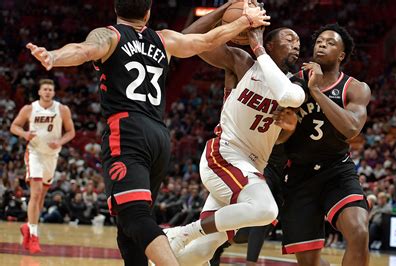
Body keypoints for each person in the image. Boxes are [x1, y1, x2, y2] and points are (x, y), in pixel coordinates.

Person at [26, 0, 270, 265]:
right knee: (127, 228)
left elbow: (82, 50)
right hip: (158, 137)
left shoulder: (110, 35)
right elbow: (207, 40)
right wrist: (243, 22)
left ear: (116, 10)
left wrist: (54, 56)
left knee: (134, 216)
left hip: (127, 131)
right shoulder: (163, 39)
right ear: (148, 12)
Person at [165, 4, 306, 266]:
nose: (296, 44)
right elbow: (187, 40)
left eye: (298, 41)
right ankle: (179, 232)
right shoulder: (243, 64)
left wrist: (288, 130)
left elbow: (278, 134)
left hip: (251, 167)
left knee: (203, 251)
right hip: (225, 155)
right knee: (266, 208)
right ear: (270, 44)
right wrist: (225, 10)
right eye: (288, 39)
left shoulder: (294, 84)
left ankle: (156, 258)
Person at [281, 23, 371, 266]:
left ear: (341, 55)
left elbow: (351, 129)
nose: (322, 44)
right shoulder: (291, 83)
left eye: (330, 42)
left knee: (359, 232)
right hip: (298, 174)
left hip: (336, 170)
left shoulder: (355, 88)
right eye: (320, 41)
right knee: (309, 263)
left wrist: (317, 93)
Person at [10, 78, 75, 254]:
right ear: (39, 92)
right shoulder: (29, 108)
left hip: (51, 156)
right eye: (44, 89)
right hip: (35, 153)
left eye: (50, 90)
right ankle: (34, 236)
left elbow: (71, 132)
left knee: (40, 199)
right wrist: (25, 134)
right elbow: (14, 126)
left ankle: (27, 227)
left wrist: (60, 141)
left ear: (53, 93)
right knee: (36, 193)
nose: (47, 92)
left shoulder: (62, 109)